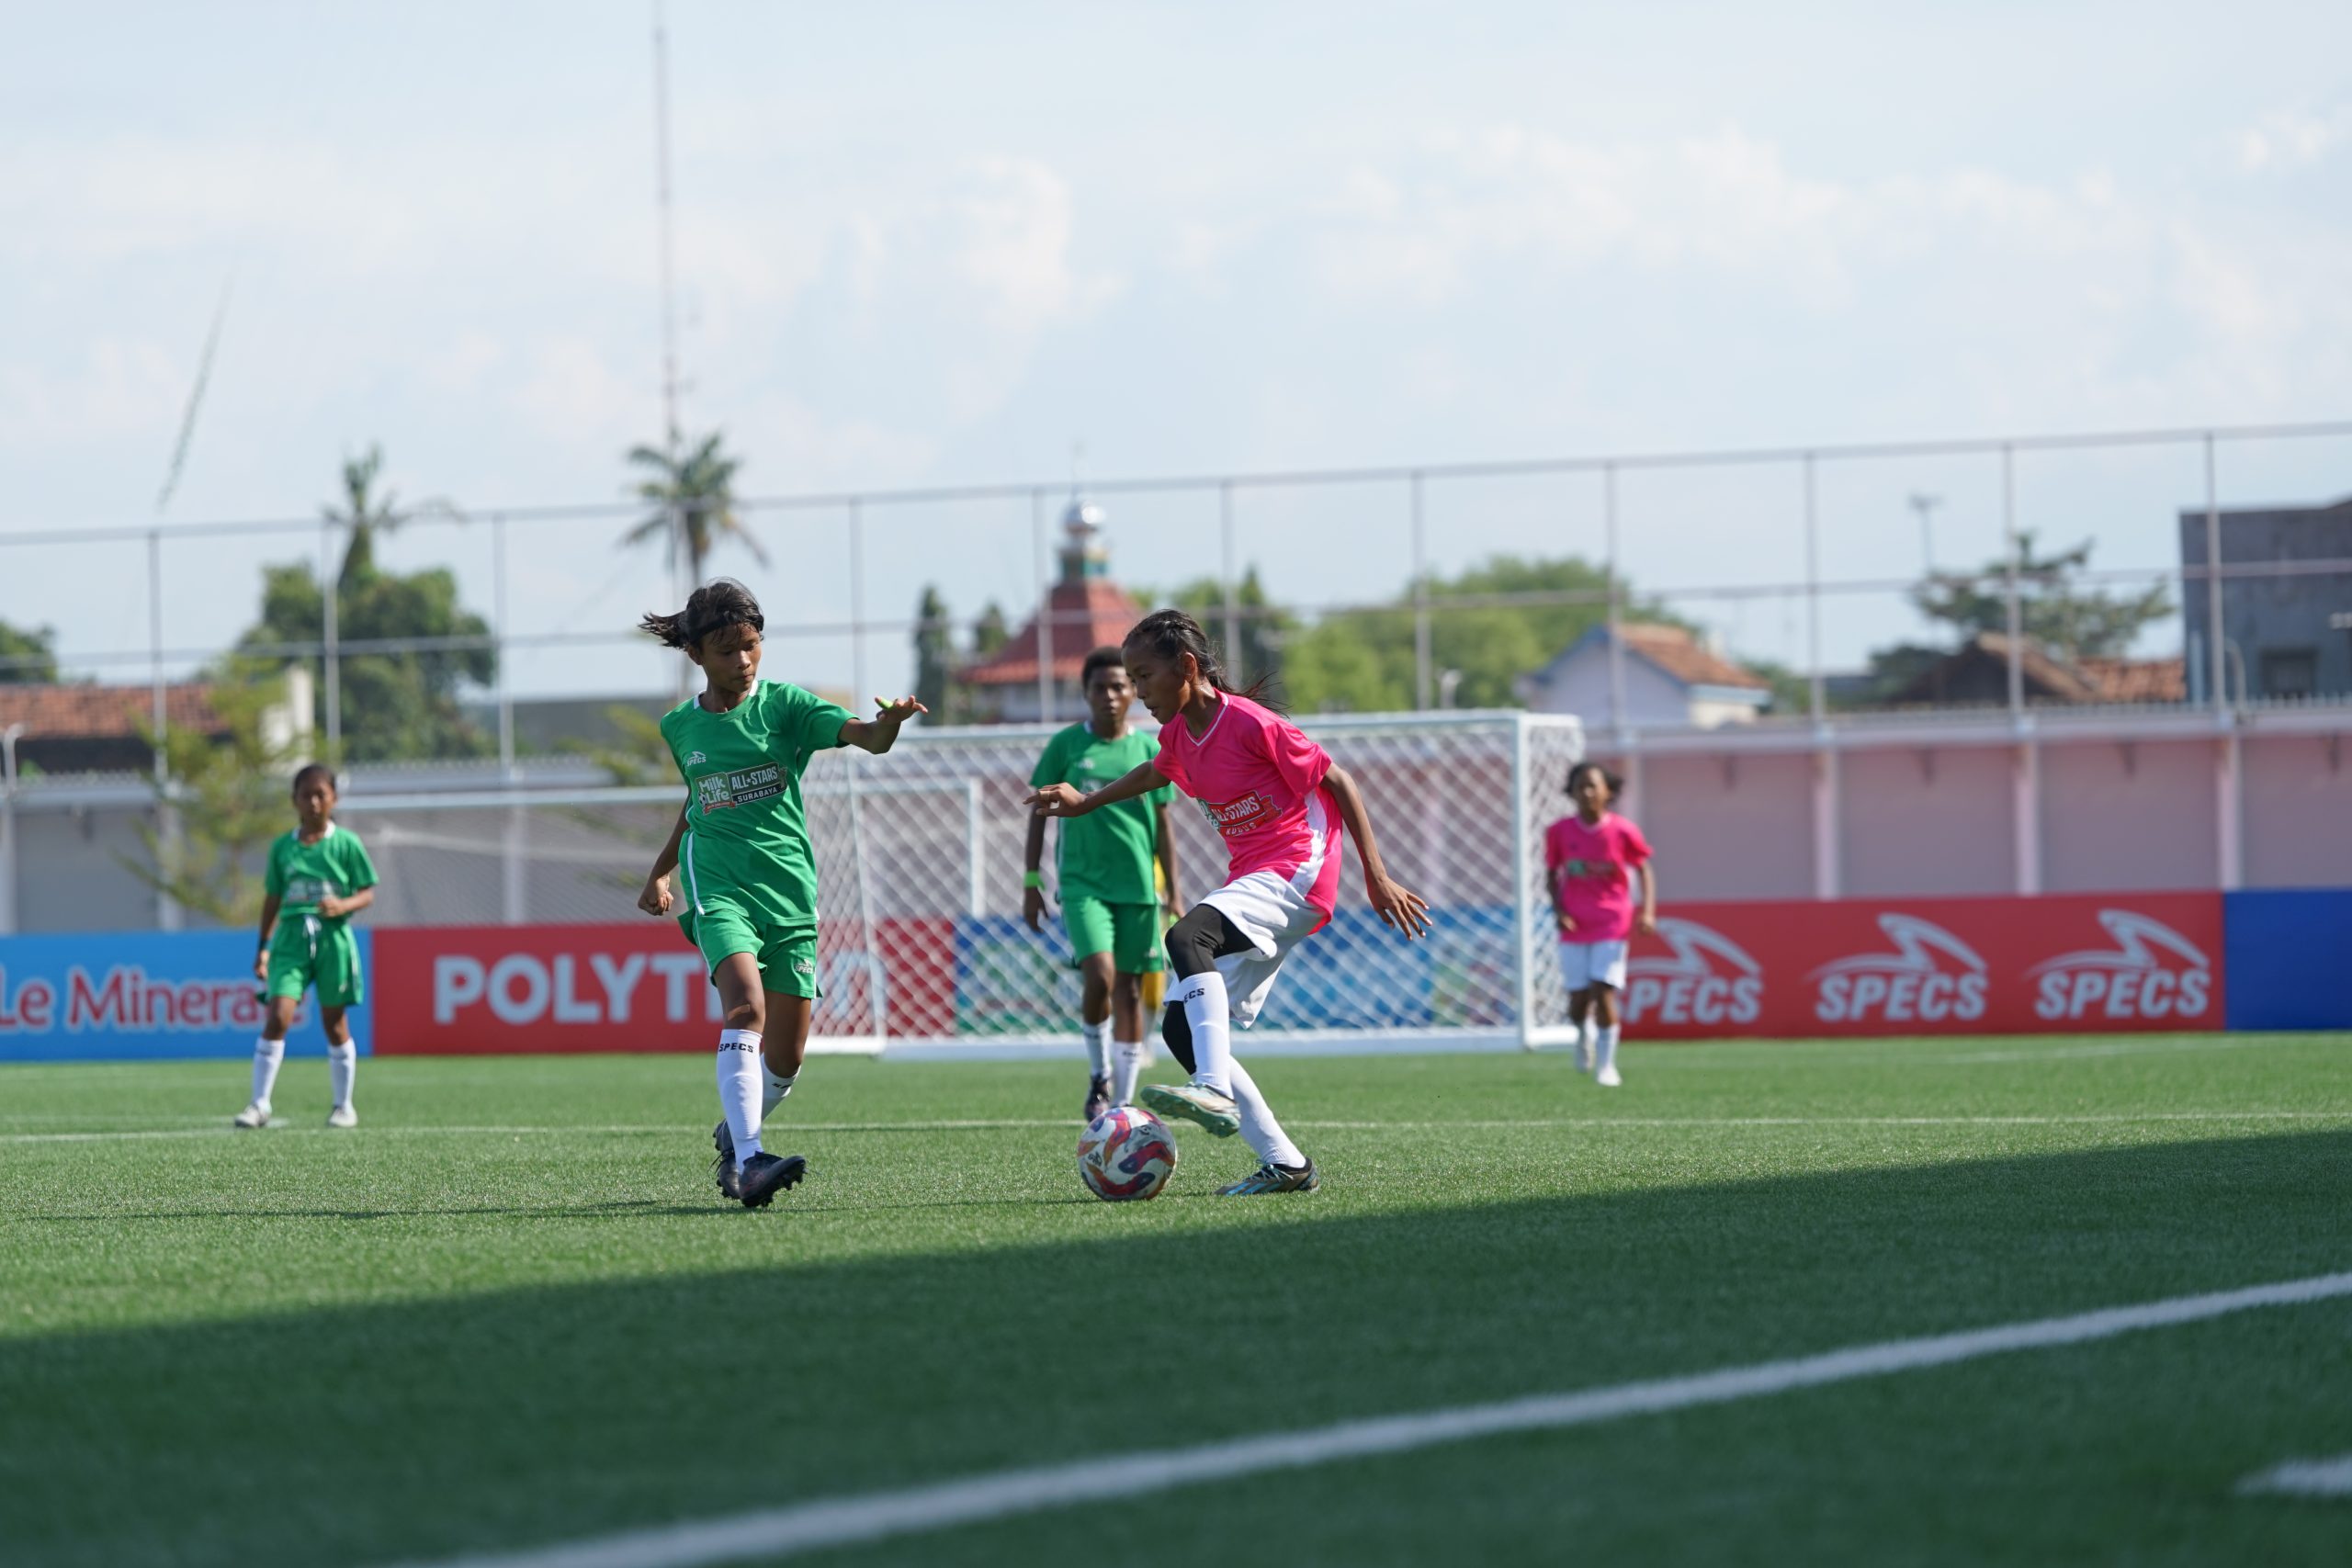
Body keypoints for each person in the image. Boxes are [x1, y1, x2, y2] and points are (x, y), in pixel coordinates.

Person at [1027, 610, 1430, 1195]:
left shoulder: (1248, 723)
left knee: (1188, 937)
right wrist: (1087, 802)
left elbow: (1338, 780)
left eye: (1144, 677)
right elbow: (1153, 772)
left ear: (1187, 667)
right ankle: (1286, 1163)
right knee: (1181, 1031)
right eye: (1131, 680)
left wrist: (1377, 875)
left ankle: (1213, 1087)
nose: (1139, 693)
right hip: (1258, 875)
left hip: (1299, 864)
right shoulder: (1176, 736)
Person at [634, 579, 927, 1210]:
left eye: (750, 645)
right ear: (696, 656)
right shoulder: (680, 725)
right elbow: (700, 800)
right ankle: (747, 1160)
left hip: (789, 891)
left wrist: (889, 724)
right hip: (718, 884)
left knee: (787, 1060)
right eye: (726, 650)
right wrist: (663, 870)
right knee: (745, 1009)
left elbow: (868, 739)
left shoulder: (787, 706)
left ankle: (735, 1132)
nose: (741, 660)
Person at [1024, 647, 1182, 1123]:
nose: (1111, 696)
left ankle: (1125, 1102)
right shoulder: (1067, 746)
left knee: (1132, 992)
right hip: (1081, 886)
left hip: (1137, 888)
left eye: (1120, 686)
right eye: (1100, 688)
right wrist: (1031, 881)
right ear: (1086, 693)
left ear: (1133, 691)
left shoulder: (1150, 749)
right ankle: (1098, 1075)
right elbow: (1039, 811)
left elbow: (1163, 824)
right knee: (1101, 976)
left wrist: (1173, 889)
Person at [236, 763, 378, 1129]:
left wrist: (342, 905)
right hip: (291, 940)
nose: (314, 802)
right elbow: (272, 899)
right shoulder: (283, 848)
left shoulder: (347, 844)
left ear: (334, 799)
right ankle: (259, 1104)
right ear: (294, 800)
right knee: (279, 1014)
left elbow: (367, 893)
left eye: (321, 795)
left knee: (334, 1023)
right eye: (306, 795)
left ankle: (343, 1106)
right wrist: (263, 946)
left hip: (333, 939)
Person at [1545, 760, 1657, 1088]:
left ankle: (1607, 1066)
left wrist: (1648, 911)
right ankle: (1583, 1034)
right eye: (1581, 786)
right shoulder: (1559, 832)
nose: (1587, 792)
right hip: (1574, 924)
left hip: (1612, 921)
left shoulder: (1623, 830)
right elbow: (1552, 874)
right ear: (1572, 792)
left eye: (1593, 785)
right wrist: (1558, 909)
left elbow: (1644, 868)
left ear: (1608, 792)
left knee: (1603, 991)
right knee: (1579, 1000)